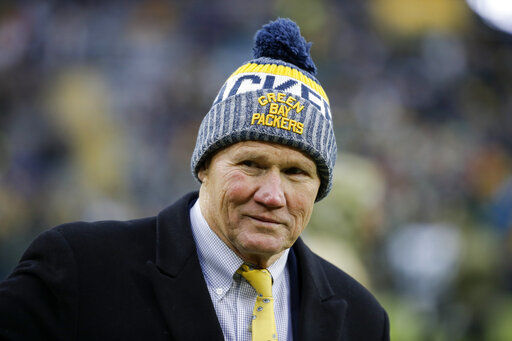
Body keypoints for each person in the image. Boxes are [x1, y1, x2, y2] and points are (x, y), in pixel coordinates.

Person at [0, 18, 389, 340]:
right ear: (203, 166)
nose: (273, 195)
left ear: (320, 188)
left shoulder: (363, 320)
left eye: (295, 173)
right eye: (251, 164)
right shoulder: (80, 270)